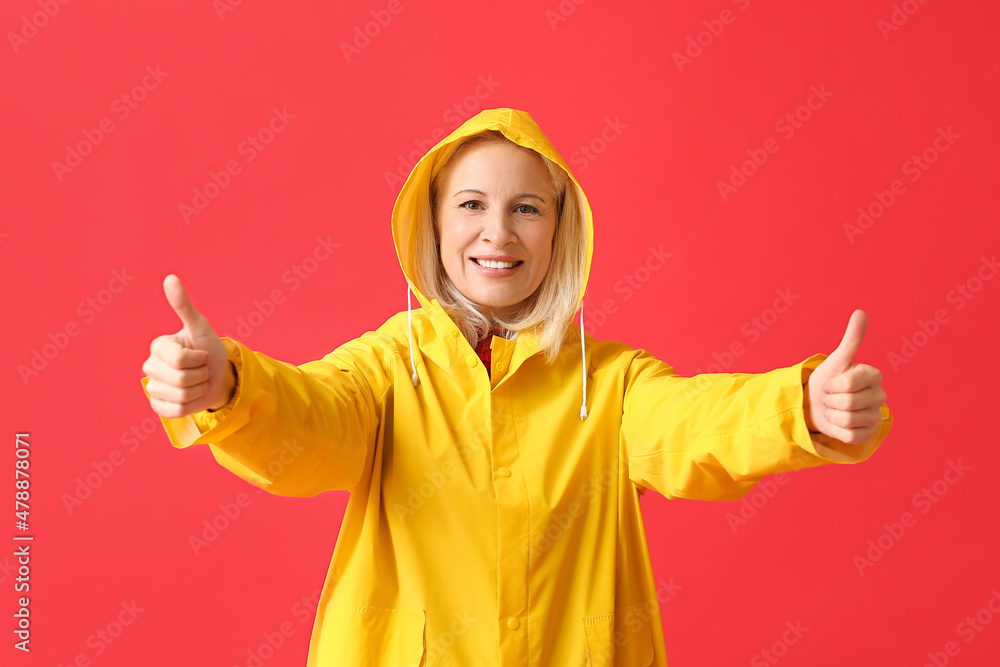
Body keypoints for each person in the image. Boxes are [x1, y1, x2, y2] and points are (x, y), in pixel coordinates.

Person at [141, 107, 892, 666]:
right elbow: (309, 420)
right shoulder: (382, 375)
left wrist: (800, 406)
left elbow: (697, 424)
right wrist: (229, 385)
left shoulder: (613, 384)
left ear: (560, 230)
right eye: (471, 205)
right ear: (432, 226)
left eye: (526, 208)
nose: (497, 232)